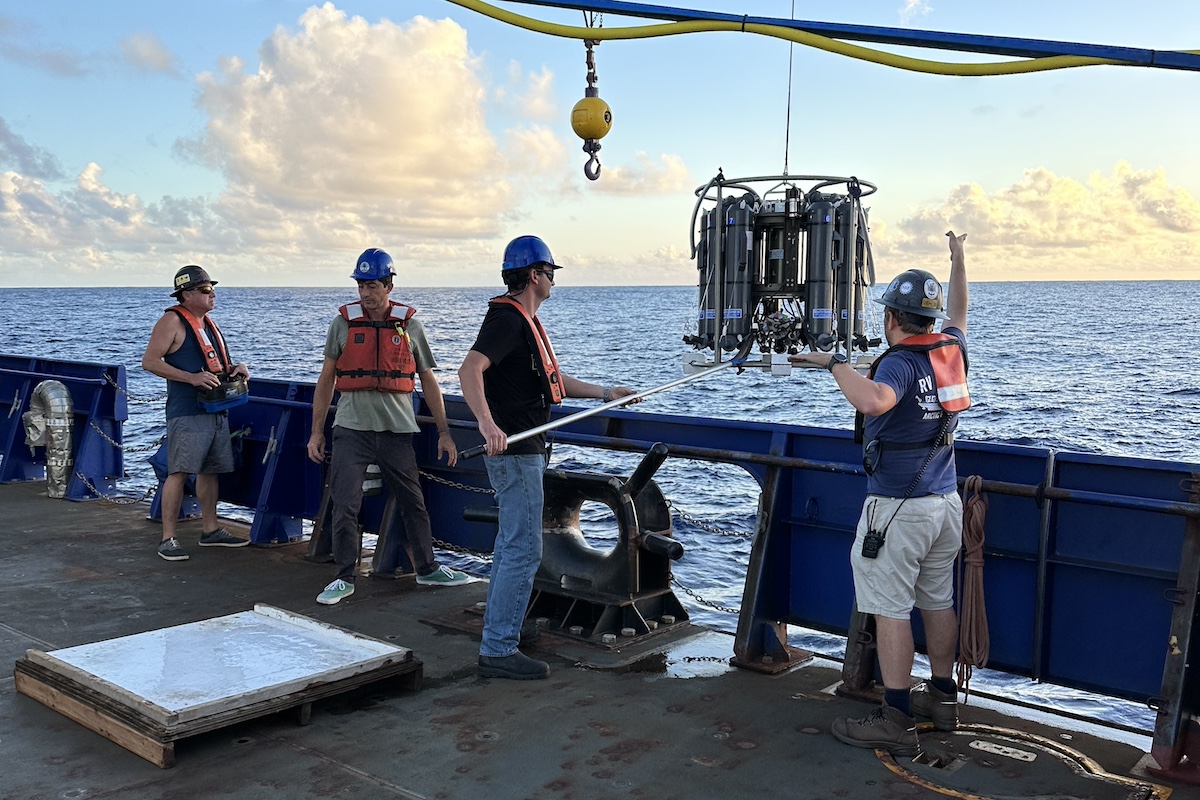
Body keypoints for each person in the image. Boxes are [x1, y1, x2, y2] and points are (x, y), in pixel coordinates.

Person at [790, 231, 970, 755]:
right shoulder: (950, 347)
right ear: (930, 320)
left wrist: (833, 364)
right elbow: (958, 306)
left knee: (890, 608)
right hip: (946, 505)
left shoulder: (897, 361)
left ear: (892, 319)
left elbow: (875, 401)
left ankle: (895, 717)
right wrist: (958, 260)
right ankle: (941, 699)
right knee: (938, 601)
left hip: (897, 510)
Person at [459, 235, 637, 680]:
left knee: (511, 544)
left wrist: (605, 393)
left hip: (523, 450)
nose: (554, 280)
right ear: (534, 275)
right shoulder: (507, 320)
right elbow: (469, 370)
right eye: (551, 272)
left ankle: (508, 623)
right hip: (516, 450)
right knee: (524, 546)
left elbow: (553, 379)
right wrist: (487, 423)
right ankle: (498, 648)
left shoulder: (523, 321)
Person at [307, 248, 470, 605]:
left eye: (373, 285)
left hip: (397, 430)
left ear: (389, 285)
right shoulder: (343, 324)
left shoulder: (411, 326)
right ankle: (344, 576)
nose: (366, 293)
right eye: (361, 285)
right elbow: (326, 380)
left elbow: (428, 380)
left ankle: (427, 569)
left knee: (414, 501)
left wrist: (444, 432)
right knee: (344, 502)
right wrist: (316, 432)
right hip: (351, 428)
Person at [141, 265, 251, 561]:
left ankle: (211, 529)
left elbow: (210, 364)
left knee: (210, 469)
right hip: (187, 412)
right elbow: (150, 362)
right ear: (186, 295)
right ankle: (168, 538)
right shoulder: (171, 321)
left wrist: (235, 370)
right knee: (178, 472)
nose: (211, 293)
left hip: (215, 410)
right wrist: (190, 378)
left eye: (212, 288)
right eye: (204, 290)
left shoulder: (207, 324)